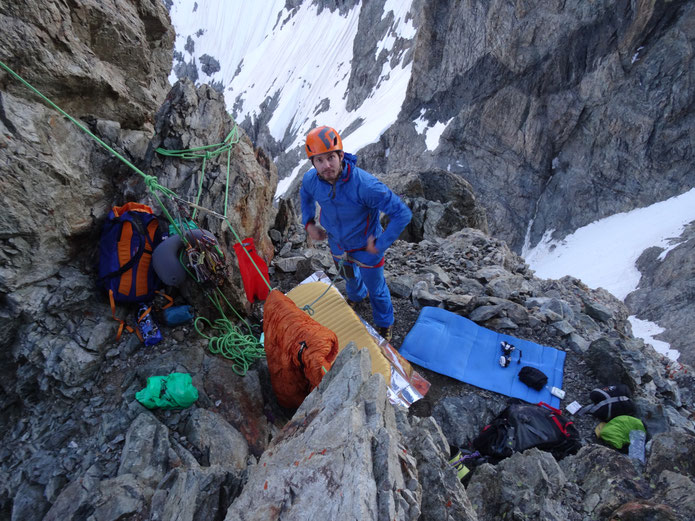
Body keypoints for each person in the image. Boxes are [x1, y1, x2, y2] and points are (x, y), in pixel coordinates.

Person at [300, 125, 412, 342]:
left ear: (341, 155)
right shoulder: (311, 181)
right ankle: (357, 297)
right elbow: (305, 194)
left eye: (331, 157)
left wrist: (380, 244)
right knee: (349, 277)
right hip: (338, 244)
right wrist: (309, 223)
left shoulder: (365, 185)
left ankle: (384, 322)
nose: (326, 166)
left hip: (366, 248)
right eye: (319, 160)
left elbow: (402, 213)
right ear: (312, 163)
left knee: (377, 289)